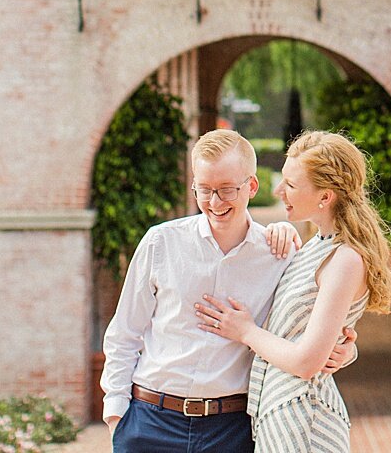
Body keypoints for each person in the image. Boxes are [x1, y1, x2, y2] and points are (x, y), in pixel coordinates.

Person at [102, 129, 355, 453]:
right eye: (204, 190)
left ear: (251, 186)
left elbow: (304, 329)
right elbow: (124, 333)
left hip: (231, 432)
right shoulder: (161, 243)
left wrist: (345, 351)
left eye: (226, 190)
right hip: (150, 424)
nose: (214, 202)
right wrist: (116, 418)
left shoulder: (280, 255)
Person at [196, 130, 391, 453]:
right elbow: (304, 333)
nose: (278, 190)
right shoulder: (316, 245)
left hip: (304, 421)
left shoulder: (345, 258)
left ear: (325, 196)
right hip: (281, 416)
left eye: (290, 185)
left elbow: (306, 362)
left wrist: (246, 331)